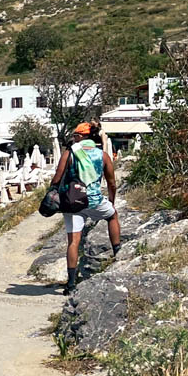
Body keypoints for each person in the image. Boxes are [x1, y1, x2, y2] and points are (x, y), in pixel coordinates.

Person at [50, 122, 121, 294]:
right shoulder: (103, 155)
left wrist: (52, 193)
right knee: (112, 216)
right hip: (94, 200)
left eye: (75, 135)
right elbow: (111, 183)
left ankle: (71, 284)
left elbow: (57, 178)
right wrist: (111, 201)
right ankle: (117, 253)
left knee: (73, 241)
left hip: (73, 202)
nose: (73, 138)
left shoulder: (70, 153)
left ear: (81, 136)